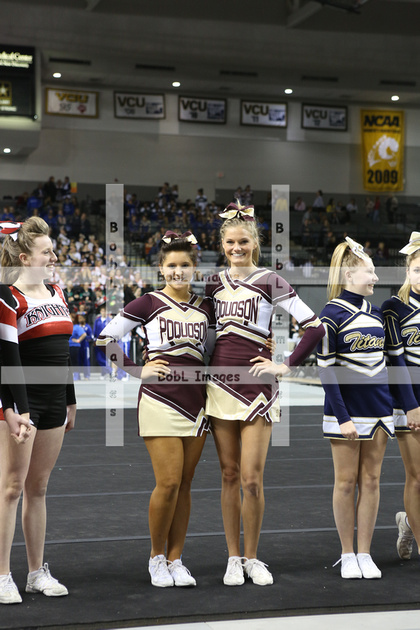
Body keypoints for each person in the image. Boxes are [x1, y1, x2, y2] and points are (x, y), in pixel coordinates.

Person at [205, 201, 324, 586]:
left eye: (243, 242)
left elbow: (315, 326)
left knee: (252, 479)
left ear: (254, 243)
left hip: (258, 388)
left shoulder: (271, 281)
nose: (236, 248)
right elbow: (198, 334)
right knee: (228, 475)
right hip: (220, 386)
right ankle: (232, 557)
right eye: (230, 243)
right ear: (222, 245)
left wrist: (285, 364)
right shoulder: (210, 284)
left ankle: (253, 557)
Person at [97, 231, 214, 588]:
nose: (178, 271)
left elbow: (216, 349)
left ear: (193, 268)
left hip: (197, 404)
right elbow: (105, 339)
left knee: (186, 484)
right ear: (161, 268)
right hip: (160, 400)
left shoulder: (206, 306)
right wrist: (136, 370)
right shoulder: (146, 303)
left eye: (185, 265)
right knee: (167, 483)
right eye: (171, 265)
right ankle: (156, 557)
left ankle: (177, 558)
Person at [0, 217, 76, 604]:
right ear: (25, 257)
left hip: (52, 405)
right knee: (11, 488)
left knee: (39, 488)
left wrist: (71, 398)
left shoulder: (57, 292)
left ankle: (35, 572)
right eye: (47, 252)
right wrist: (16, 410)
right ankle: (2, 575)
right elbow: (7, 359)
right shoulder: (8, 298)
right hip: (19, 406)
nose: (54, 256)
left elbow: (64, 352)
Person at [317, 236, 394, 580]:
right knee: (346, 482)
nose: (376, 278)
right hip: (346, 413)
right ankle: (347, 553)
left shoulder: (377, 314)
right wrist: (343, 417)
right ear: (349, 274)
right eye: (370, 271)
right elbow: (326, 371)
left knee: (372, 481)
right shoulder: (330, 314)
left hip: (379, 409)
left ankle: (365, 552)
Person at [381, 232, 420, 561]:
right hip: (410, 402)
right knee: (417, 476)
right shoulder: (394, 308)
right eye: (418, 269)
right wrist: (411, 406)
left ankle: (408, 522)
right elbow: (397, 361)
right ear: (407, 272)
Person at [93, 305, 112, 379]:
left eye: (105, 311)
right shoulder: (97, 320)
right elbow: (94, 330)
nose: (104, 312)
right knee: (99, 358)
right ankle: (109, 371)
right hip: (98, 341)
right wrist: (94, 339)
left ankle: (104, 373)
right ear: (100, 312)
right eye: (102, 311)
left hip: (106, 341)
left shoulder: (109, 320)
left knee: (105, 358)